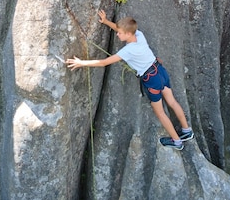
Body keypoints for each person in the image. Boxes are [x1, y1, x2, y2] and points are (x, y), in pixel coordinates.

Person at [66, 10, 194, 150]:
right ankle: (187, 131)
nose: (117, 34)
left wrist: (81, 63)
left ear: (127, 34)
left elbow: (104, 62)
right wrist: (106, 21)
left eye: (120, 33)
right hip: (160, 71)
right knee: (172, 101)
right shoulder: (139, 35)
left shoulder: (128, 51)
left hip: (152, 80)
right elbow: (121, 28)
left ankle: (177, 142)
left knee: (160, 112)